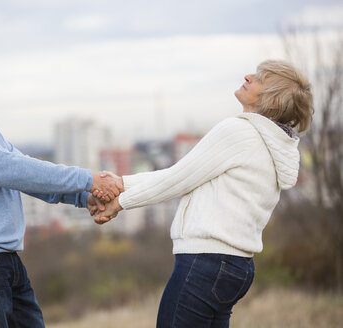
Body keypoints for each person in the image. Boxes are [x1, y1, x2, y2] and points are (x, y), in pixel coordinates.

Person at [95, 60, 314, 327]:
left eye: (259, 79)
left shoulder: (239, 131)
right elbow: (184, 174)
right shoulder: (271, 144)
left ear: (275, 102)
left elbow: (177, 179)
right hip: (236, 268)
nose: (247, 76)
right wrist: (121, 182)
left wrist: (121, 202)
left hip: (204, 264)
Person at [0, 50, 122, 328]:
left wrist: (82, 196)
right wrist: (90, 180)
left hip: (0, 260)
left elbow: (23, 170)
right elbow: (16, 170)